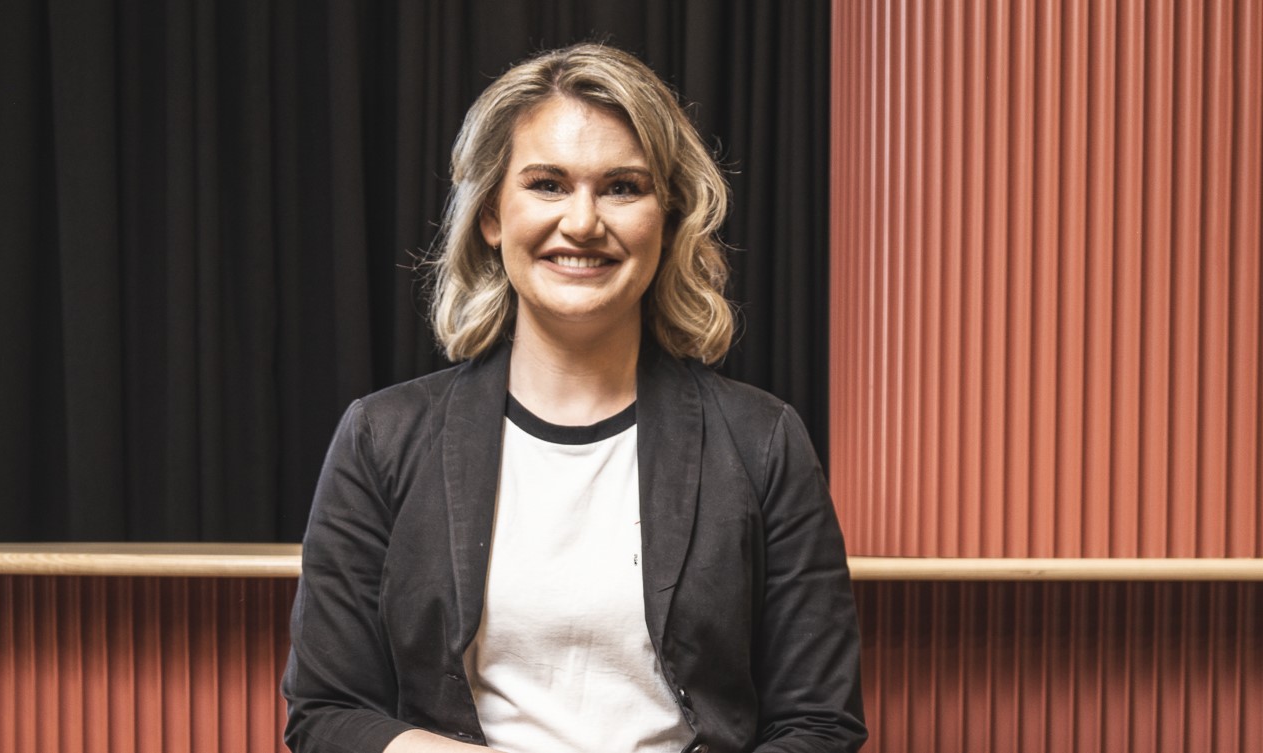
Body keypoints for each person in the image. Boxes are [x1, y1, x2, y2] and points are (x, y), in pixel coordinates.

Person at [282, 43, 865, 753]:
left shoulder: (764, 439)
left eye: (622, 186)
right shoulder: (380, 437)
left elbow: (820, 725)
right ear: (493, 214)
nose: (583, 222)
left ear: (668, 214)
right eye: (548, 184)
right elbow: (328, 712)